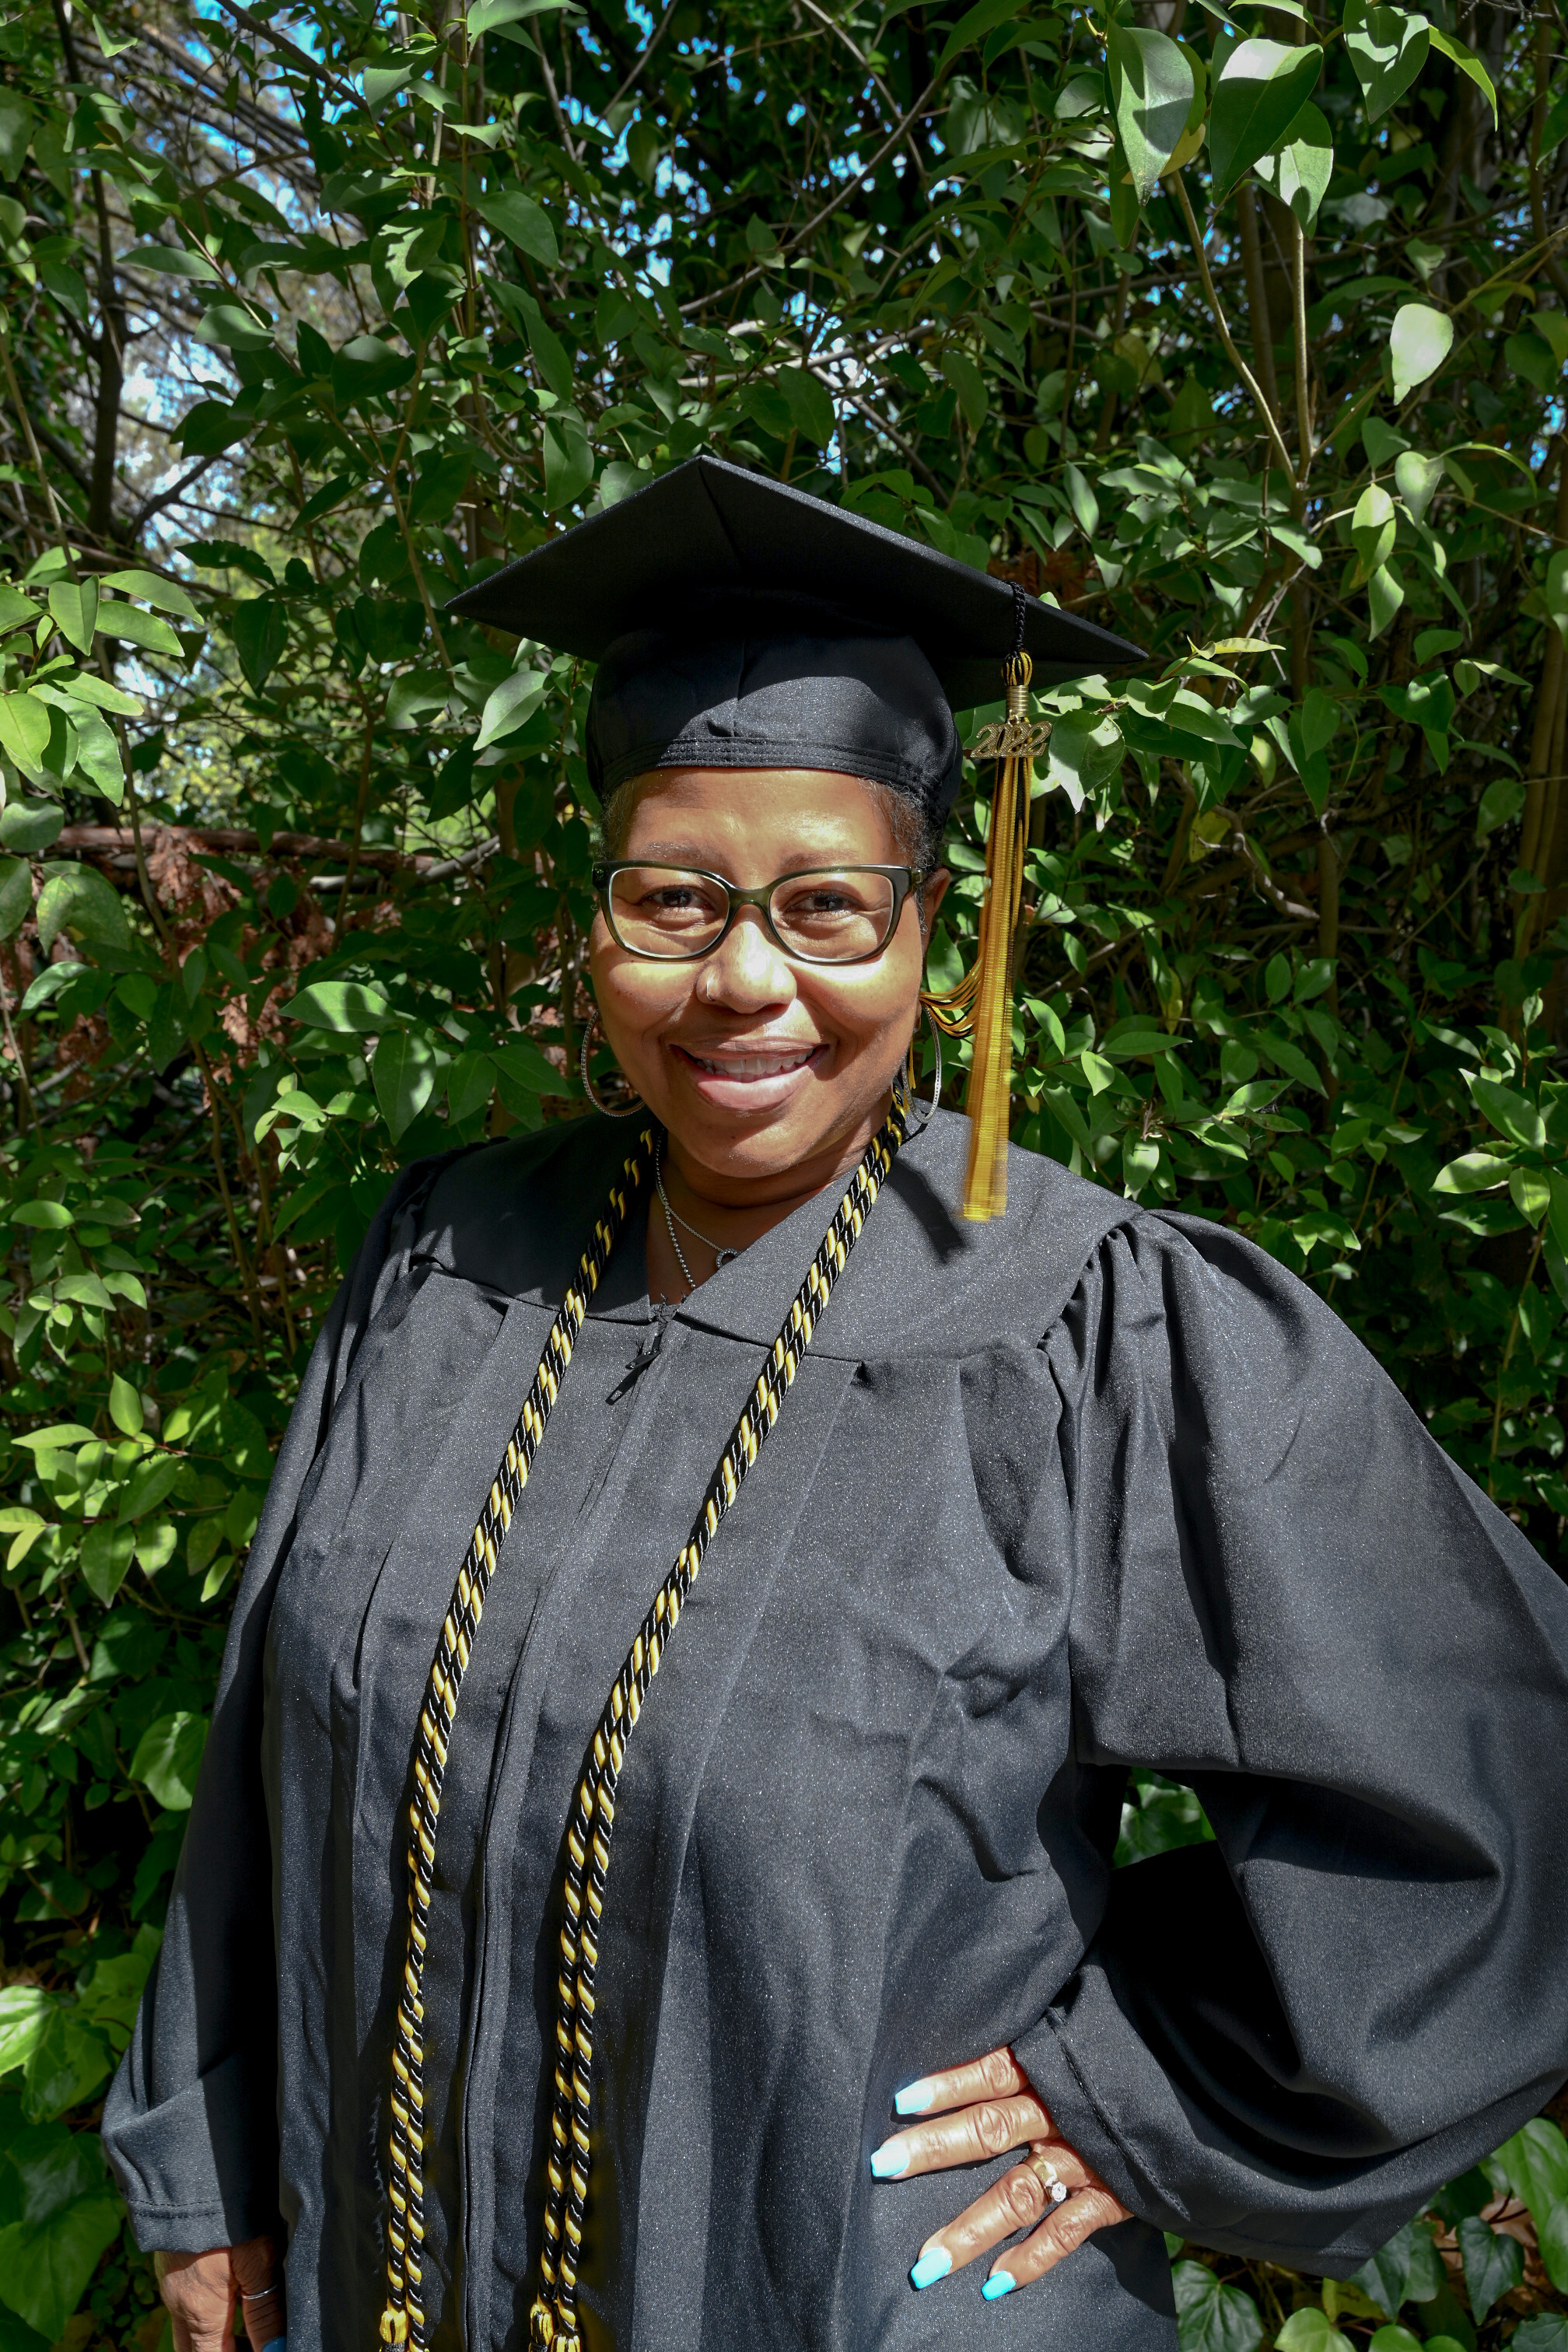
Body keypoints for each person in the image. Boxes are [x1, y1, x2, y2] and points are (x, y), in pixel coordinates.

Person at [105, 457, 1568, 2352]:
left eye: (824, 905)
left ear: (939, 924)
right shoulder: (445, 1263)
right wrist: (212, 2161)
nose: (744, 983)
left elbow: (1510, 1782)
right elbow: (263, 1749)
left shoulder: (1096, 1332)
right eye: (674, 899)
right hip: (379, 2282)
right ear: (600, 917)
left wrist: (1144, 2092)